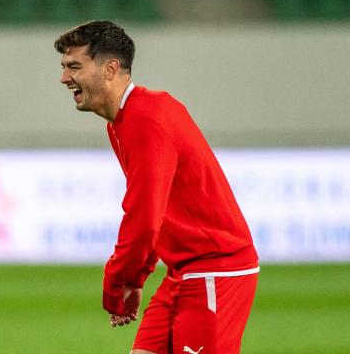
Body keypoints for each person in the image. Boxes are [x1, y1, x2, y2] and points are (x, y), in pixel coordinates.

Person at [54, 21, 259, 354]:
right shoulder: (126, 120)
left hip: (214, 271)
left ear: (110, 68)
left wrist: (116, 282)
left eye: (74, 66)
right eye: (64, 67)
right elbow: (157, 210)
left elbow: (143, 217)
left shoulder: (145, 121)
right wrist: (136, 278)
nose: (64, 78)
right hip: (183, 272)